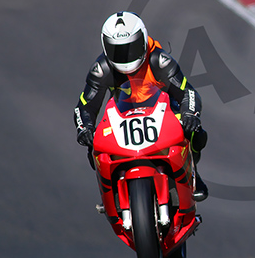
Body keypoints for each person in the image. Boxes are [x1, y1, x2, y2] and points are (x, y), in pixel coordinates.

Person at [74, 11, 209, 201]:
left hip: (163, 112)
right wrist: (84, 128)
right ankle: (110, 191)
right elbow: (84, 107)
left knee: (196, 132)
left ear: (144, 40)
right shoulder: (101, 69)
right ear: (106, 47)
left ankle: (193, 173)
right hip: (122, 115)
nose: (126, 56)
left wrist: (190, 115)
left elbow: (188, 93)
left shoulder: (160, 61)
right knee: (93, 145)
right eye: (118, 51)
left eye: (131, 48)